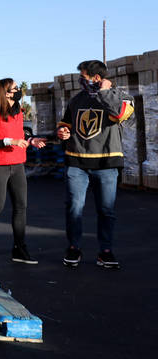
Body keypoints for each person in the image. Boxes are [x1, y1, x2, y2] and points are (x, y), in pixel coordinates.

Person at [56, 59, 134, 269]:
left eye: (84, 76)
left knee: (106, 210)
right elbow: (66, 123)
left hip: (107, 163)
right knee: (74, 207)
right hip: (76, 162)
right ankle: (73, 247)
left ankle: (105, 251)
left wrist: (105, 92)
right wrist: (62, 131)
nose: (81, 80)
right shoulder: (76, 100)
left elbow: (119, 114)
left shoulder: (122, 97)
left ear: (97, 78)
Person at [0, 78, 46, 264]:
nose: (18, 90)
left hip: (17, 164)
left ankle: (19, 249)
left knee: (21, 206)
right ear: (6, 93)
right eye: (15, 88)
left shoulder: (18, 111)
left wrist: (30, 141)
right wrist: (9, 141)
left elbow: (20, 136)